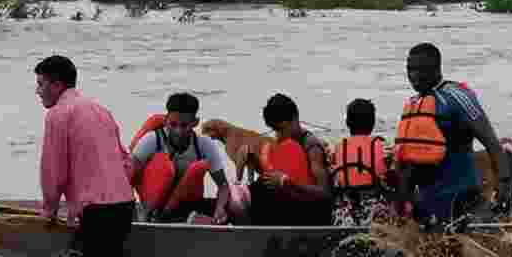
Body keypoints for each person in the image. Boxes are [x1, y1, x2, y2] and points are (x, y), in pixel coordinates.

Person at [35, 54, 136, 257]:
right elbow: (126, 163)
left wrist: (49, 209)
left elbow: (53, 170)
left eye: (41, 84)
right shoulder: (100, 110)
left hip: (96, 211)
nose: (37, 91)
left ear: (57, 85)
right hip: (124, 206)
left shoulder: (58, 114)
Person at [393, 42, 512, 228]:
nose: (413, 75)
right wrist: (403, 202)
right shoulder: (414, 104)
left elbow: (491, 141)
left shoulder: (457, 97)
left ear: (436, 69)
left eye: (420, 69)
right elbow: (407, 162)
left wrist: (504, 182)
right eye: (410, 69)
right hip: (428, 205)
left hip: (463, 198)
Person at [129, 93, 246, 225]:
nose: (178, 131)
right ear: (166, 120)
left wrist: (220, 208)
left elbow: (223, 185)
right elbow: (128, 179)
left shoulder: (204, 145)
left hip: (188, 205)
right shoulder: (151, 140)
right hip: (154, 205)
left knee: (235, 210)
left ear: (195, 122)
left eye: (184, 125)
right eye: (173, 124)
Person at [250, 93, 334, 226]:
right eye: (274, 130)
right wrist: (252, 160)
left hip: (312, 212)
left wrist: (286, 183)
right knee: (258, 187)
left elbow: (324, 192)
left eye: (281, 129)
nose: (278, 134)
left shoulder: (312, 147)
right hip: (289, 205)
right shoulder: (280, 144)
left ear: (295, 118)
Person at [329, 98, 393, 227]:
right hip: (374, 211)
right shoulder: (382, 146)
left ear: (347, 122)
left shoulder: (338, 148)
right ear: (373, 122)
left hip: (345, 212)